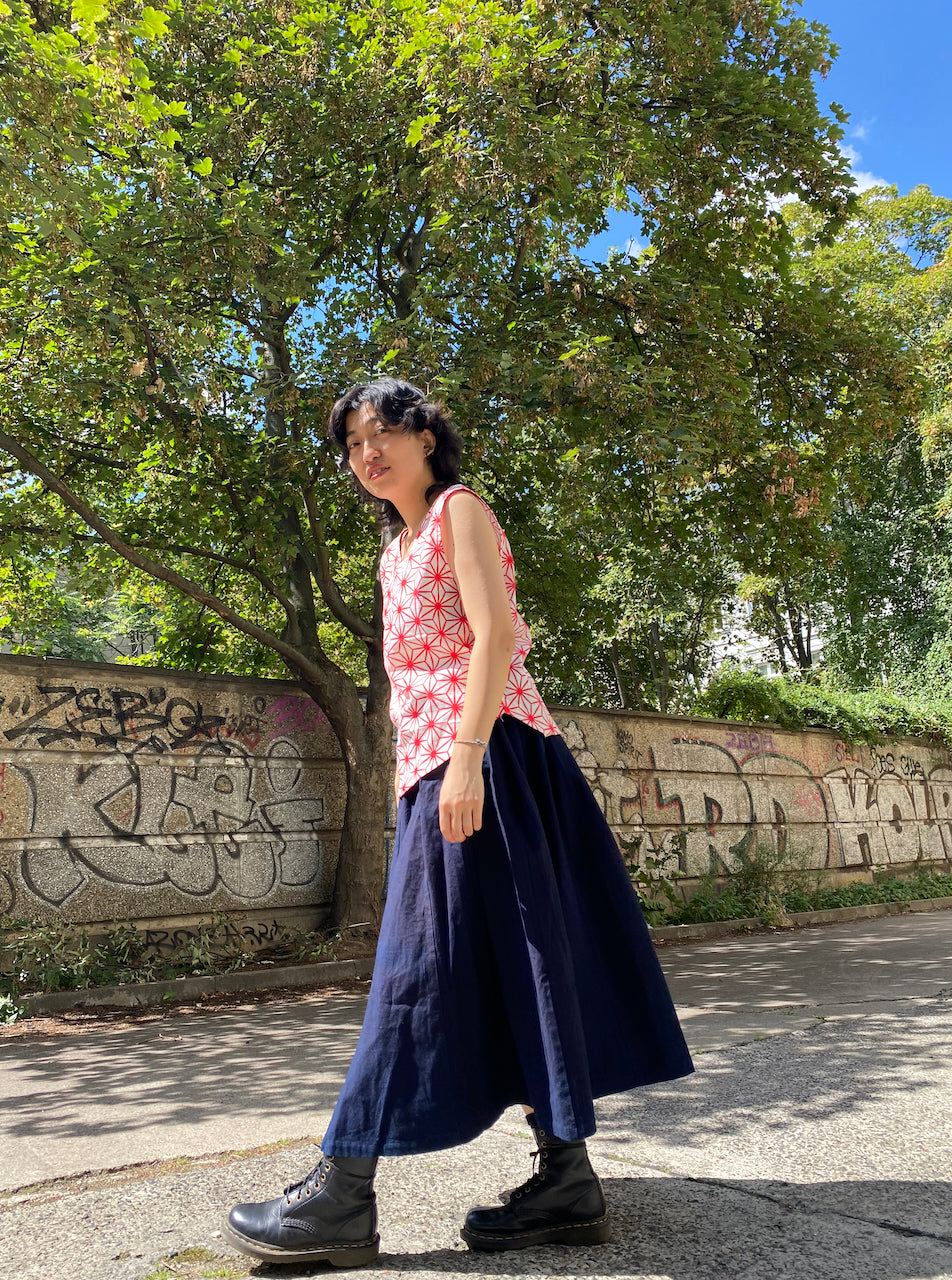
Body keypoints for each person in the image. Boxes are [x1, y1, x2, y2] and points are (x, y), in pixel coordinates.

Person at [224, 379, 693, 1268]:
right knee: (505, 963)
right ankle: (567, 1181)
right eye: (352, 443)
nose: (368, 453)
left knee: (416, 966)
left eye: (382, 433)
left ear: (427, 435)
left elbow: (496, 636)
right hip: (437, 769)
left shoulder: (458, 513)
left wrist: (468, 757)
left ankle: (342, 1195)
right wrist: (426, 770)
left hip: (491, 759)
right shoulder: (394, 552)